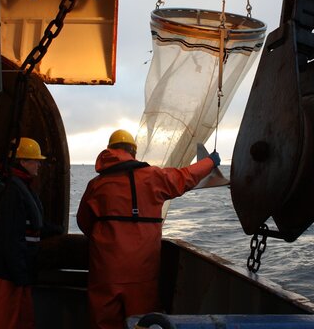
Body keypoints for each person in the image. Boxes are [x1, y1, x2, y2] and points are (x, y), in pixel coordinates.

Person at [77, 129, 220, 329]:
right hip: (142, 272)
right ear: (133, 152)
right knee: (143, 323)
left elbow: (83, 222)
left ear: (109, 151)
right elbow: (185, 177)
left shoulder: (96, 185)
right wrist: (210, 162)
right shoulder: (153, 177)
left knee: (104, 323)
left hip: (105, 271)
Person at [0, 137, 50, 329]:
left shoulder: (19, 187)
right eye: (36, 160)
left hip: (11, 272)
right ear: (23, 162)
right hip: (3, 274)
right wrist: (20, 274)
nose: (39, 165)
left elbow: (23, 225)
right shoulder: (11, 191)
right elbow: (9, 235)